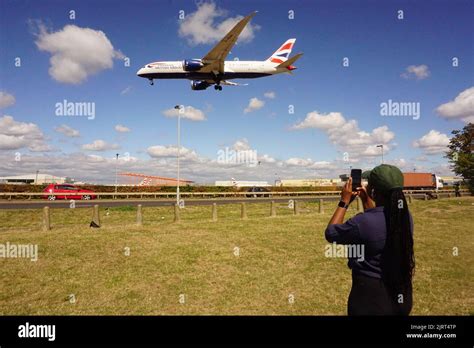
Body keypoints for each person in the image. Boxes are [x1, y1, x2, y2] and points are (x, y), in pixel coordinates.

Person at [325, 164, 415, 315]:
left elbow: (331, 233)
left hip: (370, 298)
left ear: (374, 191)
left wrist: (344, 201)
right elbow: (375, 221)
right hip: (401, 295)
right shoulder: (405, 218)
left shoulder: (363, 222)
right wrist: (366, 199)